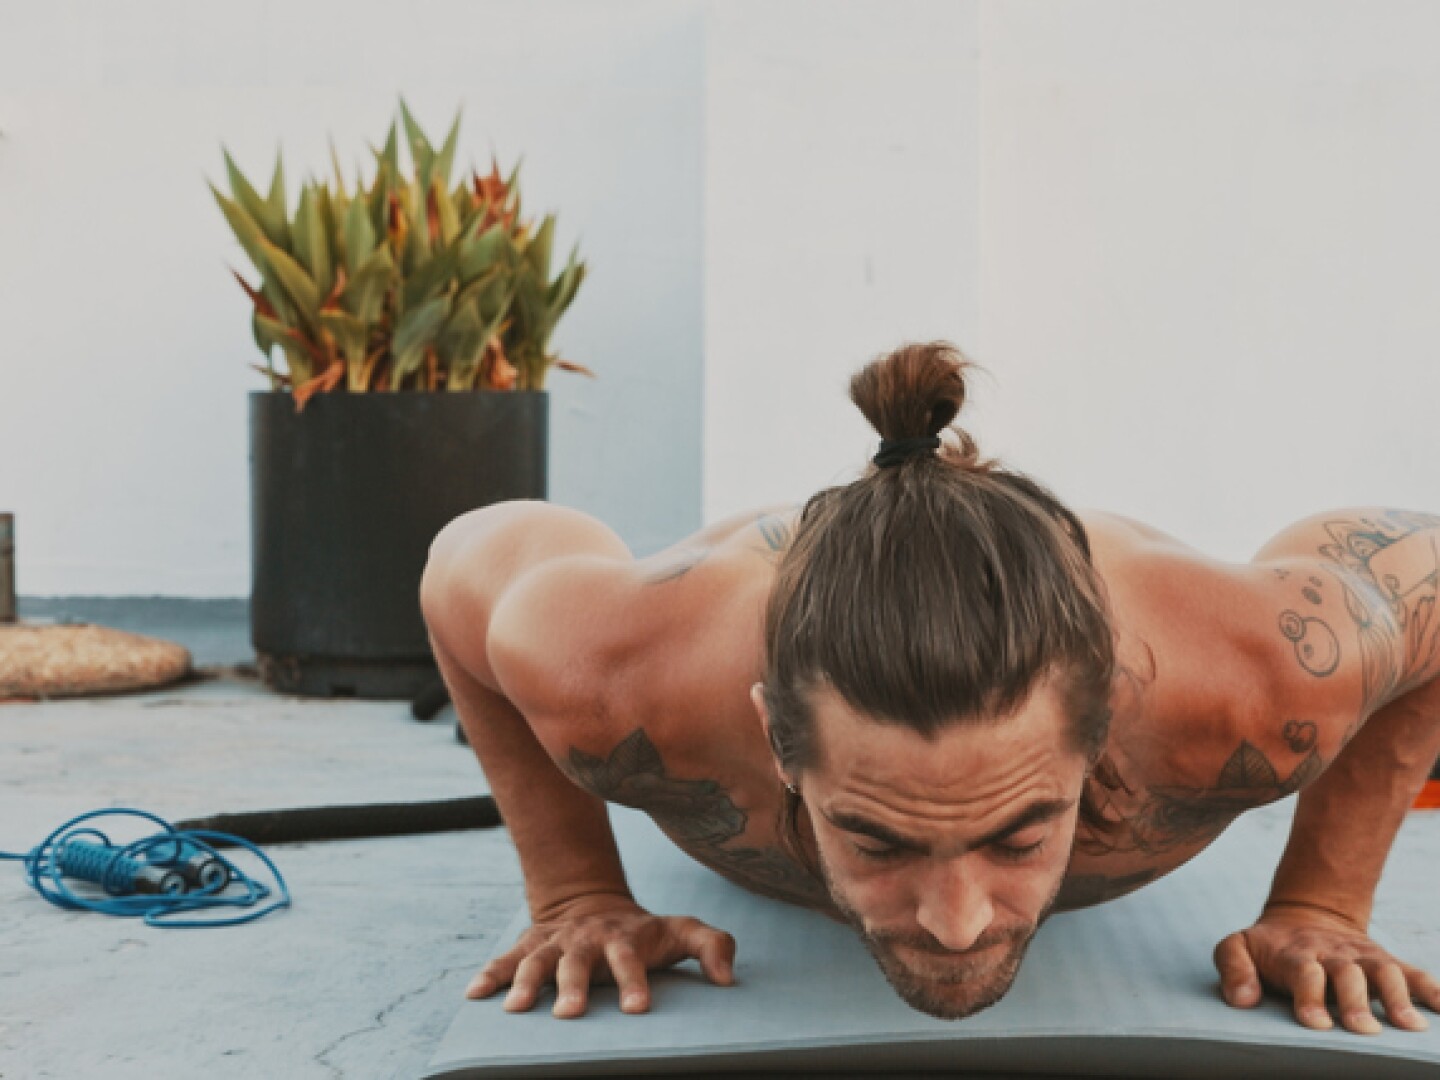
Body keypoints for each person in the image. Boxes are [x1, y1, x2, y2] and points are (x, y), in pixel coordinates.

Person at [420, 341, 1440, 1035]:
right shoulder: (618, 674)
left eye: (1019, 834)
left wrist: (1324, 901)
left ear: (1100, 729)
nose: (956, 922)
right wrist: (576, 890)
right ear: (776, 736)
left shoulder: (1256, 686)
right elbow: (460, 565)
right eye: (878, 837)